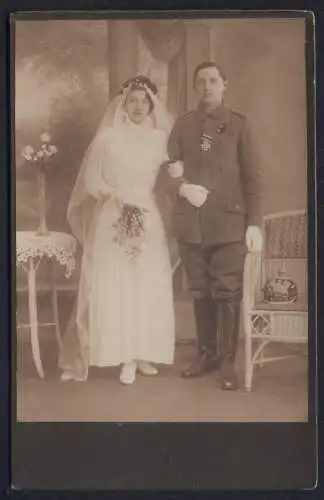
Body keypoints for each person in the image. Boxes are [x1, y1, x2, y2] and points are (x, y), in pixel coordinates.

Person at [58, 75, 175, 385]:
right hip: (113, 215)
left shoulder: (160, 139)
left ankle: (144, 351)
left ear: (152, 104)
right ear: (123, 103)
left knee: (148, 283)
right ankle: (123, 354)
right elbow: (91, 181)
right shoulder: (108, 137)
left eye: (144, 100)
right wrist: (115, 194)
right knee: (117, 283)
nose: (138, 106)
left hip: (148, 215)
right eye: (133, 100)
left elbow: (171, 177)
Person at [165, 62, 263, 390]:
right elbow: (167, 170)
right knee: (200, 291)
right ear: (195, 88)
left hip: (229, 225)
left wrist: (254, 223)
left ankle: (227, 362)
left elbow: (252, 179)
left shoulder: (238, 126)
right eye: (201, 82)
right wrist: (181, 187)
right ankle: (206, 354)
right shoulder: (183, 126)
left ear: (225, 85)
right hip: (192, 224)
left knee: (227, 292)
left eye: (212, 81)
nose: (207, 87)